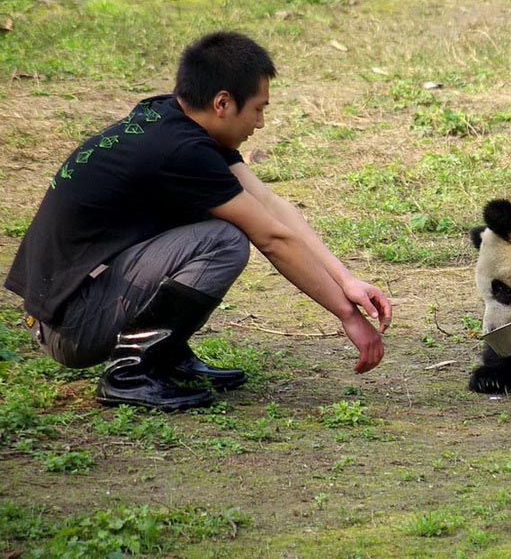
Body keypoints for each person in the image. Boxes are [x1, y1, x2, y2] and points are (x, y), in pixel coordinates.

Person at [3, 31, 392, 411]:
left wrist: (346, 281)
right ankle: (130, 372)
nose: (259, 123)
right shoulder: (180, 150)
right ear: (222, 103)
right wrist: (346, 315)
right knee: (223, 240)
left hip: (73, 305)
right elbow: (272, 237)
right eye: (258, 108)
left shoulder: (169, 116)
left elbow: (271, 205)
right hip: (70, 327)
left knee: (210, 215)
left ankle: (164, 355)